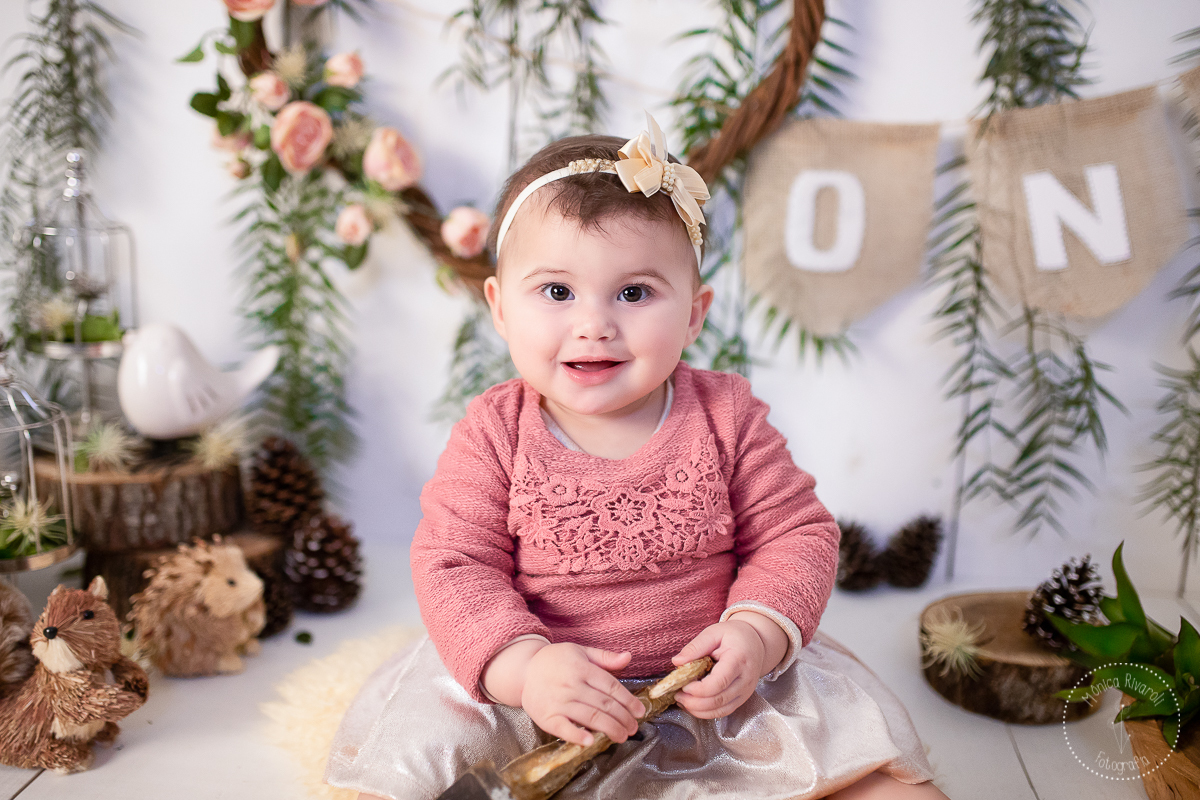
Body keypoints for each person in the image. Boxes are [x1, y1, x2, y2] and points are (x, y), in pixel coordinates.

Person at [326, 113, 949, 800]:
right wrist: (524, 667)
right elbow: (455, 565)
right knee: (412, 773)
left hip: (712, 691)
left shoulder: (726, 416)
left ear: (694, 312)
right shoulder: (495, 432)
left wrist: (756, 634)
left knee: (881, 786)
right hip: (536, 694)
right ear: (500, 308)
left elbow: (796, 535)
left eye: (634, 292)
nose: (595, 322)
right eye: (557, 292)